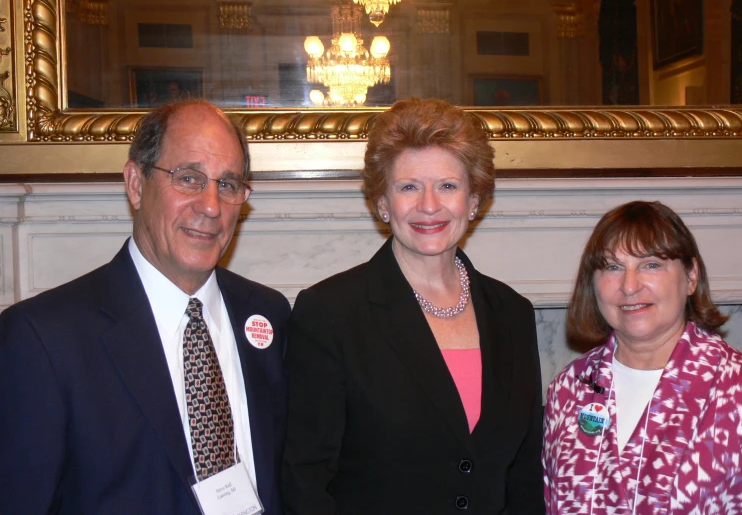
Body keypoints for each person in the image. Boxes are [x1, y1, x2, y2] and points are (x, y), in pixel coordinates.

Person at [0, 101, 291, 515]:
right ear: (136, 184)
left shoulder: (267, 316)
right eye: (188, 178)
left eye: (227, 184)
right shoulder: (43, 339)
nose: (211, 206)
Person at [282, 98, 544, 515]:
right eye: (408, 187)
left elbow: (525, 474)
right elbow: (305, 477)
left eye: (448, 186)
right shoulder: (330, 313)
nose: (428, 205)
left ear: (474, 201)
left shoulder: (512, 312)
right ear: (382, 203)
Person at [543, 200, 742, 515]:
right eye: (613, 267)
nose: (629, 286)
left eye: (651, 264)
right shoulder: (568, 390)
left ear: (691, 276)